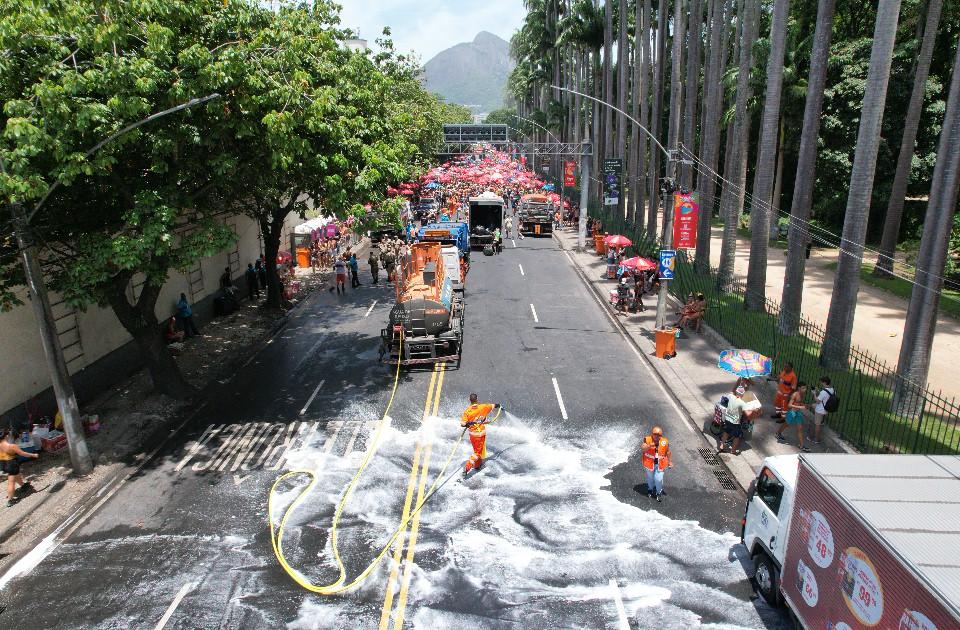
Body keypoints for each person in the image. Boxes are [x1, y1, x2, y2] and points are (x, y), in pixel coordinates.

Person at [460, 393, 501, 474]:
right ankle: (467, 467)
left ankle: (477, 465)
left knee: (477, 450)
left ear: (470, 400)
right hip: (480, 435)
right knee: (477, 453)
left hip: (472, 435)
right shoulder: (483, 407)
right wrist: (499, 406)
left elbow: (462, 424)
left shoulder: (467, 411)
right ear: (477, 399)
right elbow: (493, 405)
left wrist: (467, 424)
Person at [1, 428, 39, 507]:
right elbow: (23, 453)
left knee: (16, 475)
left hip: (3, 463)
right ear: (6, 436)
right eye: (7, 434)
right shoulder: (12, 446)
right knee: (11, 482)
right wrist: (33, 455)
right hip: (11, 463)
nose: (8, 436)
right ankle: (10, 500)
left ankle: (23, 485)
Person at [777, 382, 811, 452]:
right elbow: (789, 405)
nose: (805, 389)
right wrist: (800, 406)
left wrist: (804, 405)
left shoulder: (801, 394)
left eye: (805, 388)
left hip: (798, 413)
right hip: (792, 413)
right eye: (803, 388)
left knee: (800, 429)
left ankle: (802, 446)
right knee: (786, 424)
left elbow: (798, 402)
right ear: (799, 388)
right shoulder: (794, 395)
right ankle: (778, 433)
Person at [641, 426, 672, 502]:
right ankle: (650, 489)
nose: (657, 436)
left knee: (658, 479)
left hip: (660, 464)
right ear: (652, 434)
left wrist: (670, 461)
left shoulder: (665, 441)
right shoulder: (647, 439)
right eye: (655, 434)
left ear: (661, 435)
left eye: (659, 435)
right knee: (650, 478)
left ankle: (659, 492)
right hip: (649, 463)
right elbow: (643, 449)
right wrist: (649, 446)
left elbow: (668, 452)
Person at [718, 386, 748, 455]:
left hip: (727, 418)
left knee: (726, 431)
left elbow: (731, 393)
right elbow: (747, 414)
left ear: (736, 392)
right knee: (737, 436)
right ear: (743, 394)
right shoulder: (742, 403)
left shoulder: (731, 396)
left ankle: (722, 445)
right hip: (735, 422)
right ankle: (733, 450)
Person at [810, 376, 834, 445]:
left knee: (817, 425)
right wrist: (818, 391)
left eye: (822, 382)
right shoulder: (832, 390)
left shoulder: (823, 392)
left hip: (820, 410)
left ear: (825, 382)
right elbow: (826, 396)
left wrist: (814, 393)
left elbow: (817, 401)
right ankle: (820, 424)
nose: (821, 384)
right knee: (820, 422)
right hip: (826, 410)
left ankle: (816, 439)